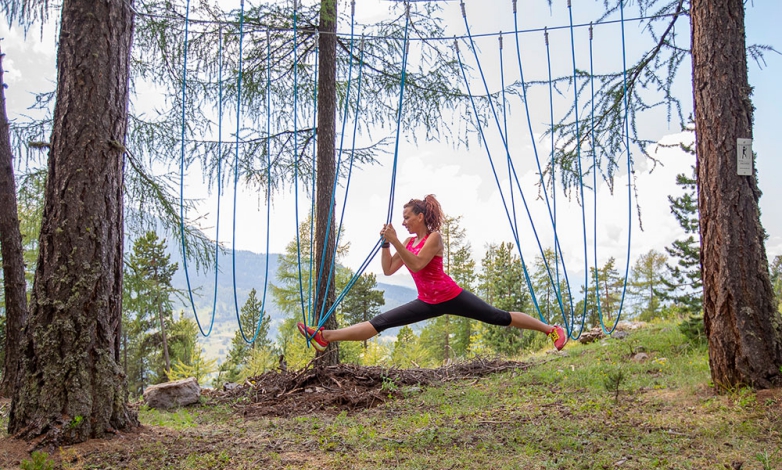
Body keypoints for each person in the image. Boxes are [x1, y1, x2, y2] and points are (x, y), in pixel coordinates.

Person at [297, 194, 567, 353]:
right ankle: (325, 336)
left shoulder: (434, 238)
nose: (403, 222)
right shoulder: (410, 242)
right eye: (402, 219)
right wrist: (387, 243)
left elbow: (416, 265)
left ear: (421, 217)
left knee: (498, 317)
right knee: (381, 322)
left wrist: (396, 240)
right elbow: (389, 270)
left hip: (451, 296)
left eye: (407, 217)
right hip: (427, 301)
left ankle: (551, 330)